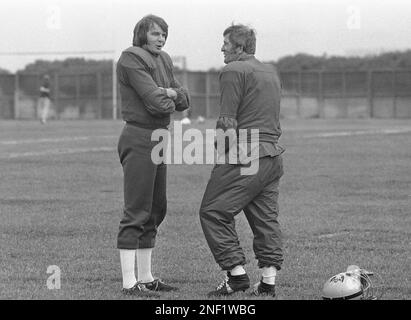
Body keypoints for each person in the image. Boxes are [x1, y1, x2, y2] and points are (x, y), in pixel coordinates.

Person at [199, 24, 285, 298]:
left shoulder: (233, 70)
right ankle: (268, 283)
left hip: (245, 153)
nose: (221, 48)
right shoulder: (270, 72)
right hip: (272, 156)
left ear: (239, 47)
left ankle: (236, 276)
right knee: (265, 220)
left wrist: (223, 153)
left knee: (213, 211)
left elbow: (227, 119)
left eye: (225, 43)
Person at [116, 14, 190, 297]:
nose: (161, 39)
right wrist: (169, 95)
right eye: (156, 34)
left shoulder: (164, 59)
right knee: (136, 209)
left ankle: (146, 277)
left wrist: (168, 91)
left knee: (156, 209)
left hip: (159, 136)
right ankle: (128, 282)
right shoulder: (131, 58)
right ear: (142, 34)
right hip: (139, 136)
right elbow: (156, 102)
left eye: (164, 35)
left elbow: (183, 99)